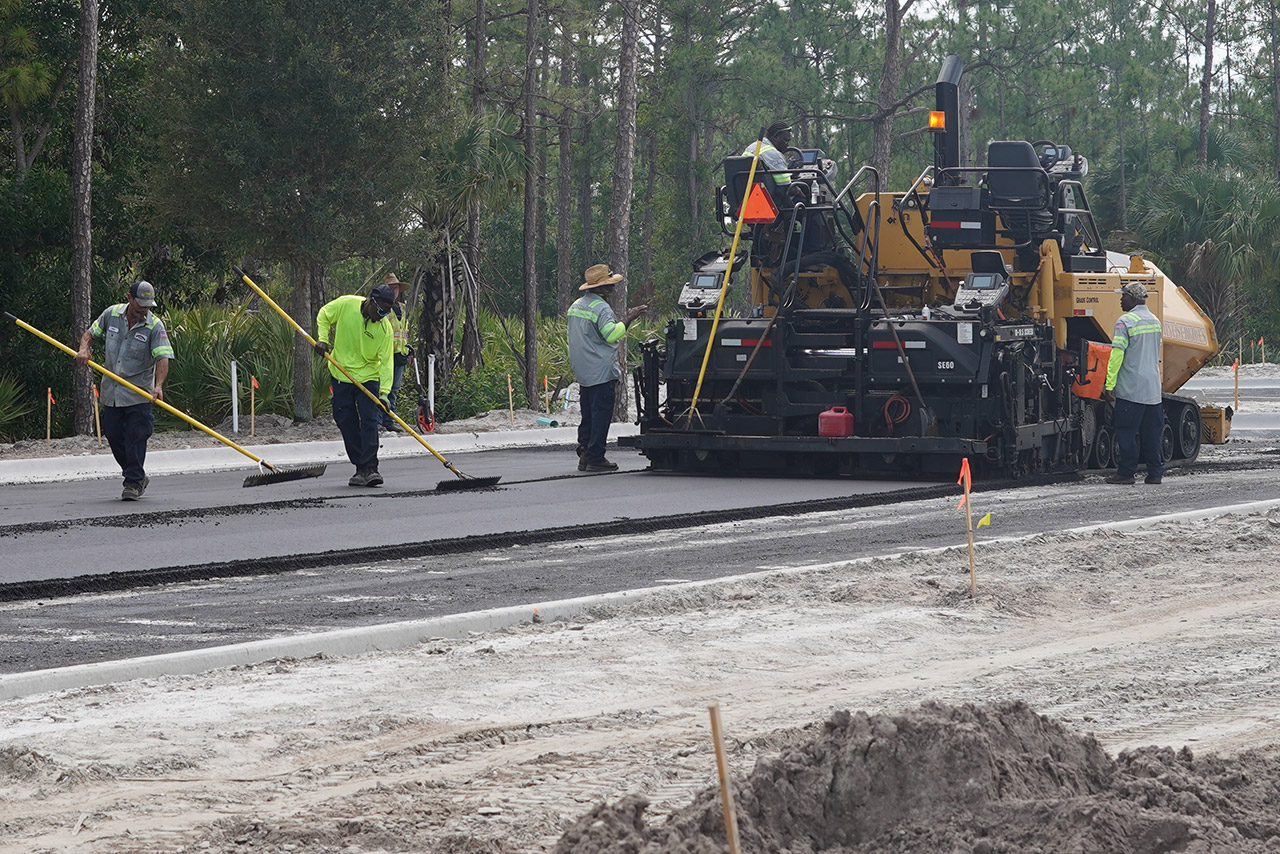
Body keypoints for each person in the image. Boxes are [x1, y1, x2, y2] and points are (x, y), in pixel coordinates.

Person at [75, 281, 175, 501]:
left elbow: (162, 357)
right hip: (112, 392)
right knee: (113, 434)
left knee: (137, 436)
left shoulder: (154, 326)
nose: (144, 311)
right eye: (140, 306)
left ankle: (133, 482)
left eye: (148, 307)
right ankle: (137, 474)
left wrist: (158, 386)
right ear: (129, 298)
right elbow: (90, 334)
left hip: (139, 393)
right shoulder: (111, 314)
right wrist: (84, 349)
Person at [567, 264, 648, 472]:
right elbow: (611, 334)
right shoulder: (601, 308)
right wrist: (629, 318)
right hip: (601, 370)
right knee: (601, 414)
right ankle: (596, 457)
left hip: (583, 370)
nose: (613, 288)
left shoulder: (575, 306)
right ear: (602, 288)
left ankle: (584, 452)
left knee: (588, 414)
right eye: (610, 284)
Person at [316, 283, 397, 487]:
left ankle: (371, 468)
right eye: (380, 310)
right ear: (370, 301)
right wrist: (323, 340)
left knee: (369, 419)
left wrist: (385, 394)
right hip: (341, 373)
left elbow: (387, 362)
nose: (382, 316)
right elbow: (324, 314)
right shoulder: (347, 304)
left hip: (368, 377)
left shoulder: (384, 328)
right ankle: (360, 467)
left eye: (386, 313)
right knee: (344, 418)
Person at [1102, 281, 1164, 485]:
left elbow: (1117, 355)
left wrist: (1110, 383)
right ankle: (1155, 473)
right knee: (1152, 433)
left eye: (1124, 296)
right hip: (1153, 389)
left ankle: (1126, 472)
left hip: (1131, 389)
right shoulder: (1155, 321)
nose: (1121, 299)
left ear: (1134, 298)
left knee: (1126, 432)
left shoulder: (1125, 321)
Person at [378, 273, 411, 434]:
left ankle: (389, 420)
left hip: (400, 354)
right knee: (382, 389)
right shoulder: (381, 307)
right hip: (385, 354)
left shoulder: (402, 308)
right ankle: (377, 421)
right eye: (391, 287)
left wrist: (408, 348)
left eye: (396, 287)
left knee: (394, 390)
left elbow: (403, 330)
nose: (394, 290)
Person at [740, 121, 794, 187]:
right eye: (786, 140)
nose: (787, 144)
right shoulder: (773, 154)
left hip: (744, 192)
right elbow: (785, 185)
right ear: (776, 137)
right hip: (763, 194)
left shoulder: (752, 147)